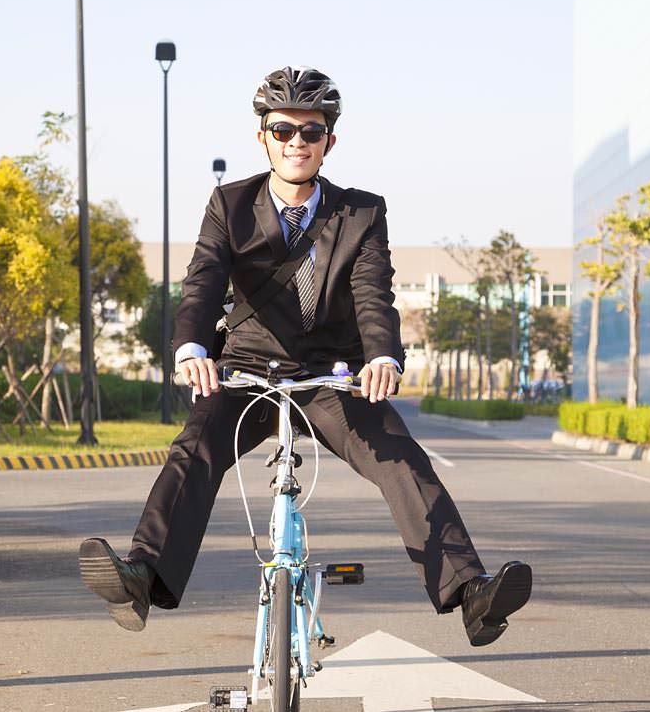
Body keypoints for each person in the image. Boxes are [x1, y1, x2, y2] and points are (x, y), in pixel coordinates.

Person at [79, 66, 532, 647]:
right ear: (262, 137)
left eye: (310, 132)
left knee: (399, 458)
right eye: (283, 128)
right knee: (194, 449)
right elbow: (202, 283)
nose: (297, 141)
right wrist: (192, 348)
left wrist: (383, 358)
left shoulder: (362, 213)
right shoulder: (229, 203)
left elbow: (374, 297)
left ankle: (472, 594)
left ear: (329, 142)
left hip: (330, 380)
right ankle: (141, 576)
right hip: (243, 373)